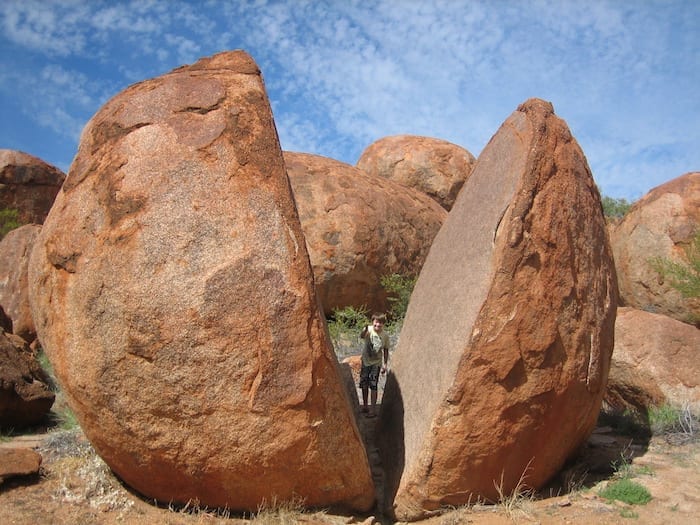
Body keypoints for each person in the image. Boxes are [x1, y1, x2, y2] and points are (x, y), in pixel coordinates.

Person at [359, 312, 390, 417]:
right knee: (364, 383)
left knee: (373, 385)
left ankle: (372, 410)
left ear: (383, 324)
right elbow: (362, 336)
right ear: (373, 322)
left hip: (376, 364)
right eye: (376, 322)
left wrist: (385, 364)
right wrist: (364, 330)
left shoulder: (385, 336)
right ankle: (365, 405)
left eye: (380, 323)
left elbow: (386, 350)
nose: (378, 325)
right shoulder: (369, 329)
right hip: (366, 361)